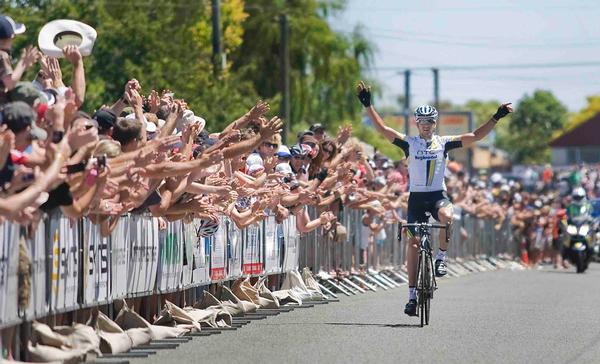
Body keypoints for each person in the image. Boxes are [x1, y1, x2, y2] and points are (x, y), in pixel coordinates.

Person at [356, 80, 512, 317]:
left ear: (435, 123)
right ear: (416, 123)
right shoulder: (409, 142)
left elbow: (475, 135)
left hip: (438, 195)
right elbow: (383, 129)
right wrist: (368, 106)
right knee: (413, 243)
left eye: (431, 121)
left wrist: (496, 117)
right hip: (416, 200)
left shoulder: (444, 143)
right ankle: (410, 296)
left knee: (447, 215)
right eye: (423, 122)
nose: (427, 125)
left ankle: (441, 257)